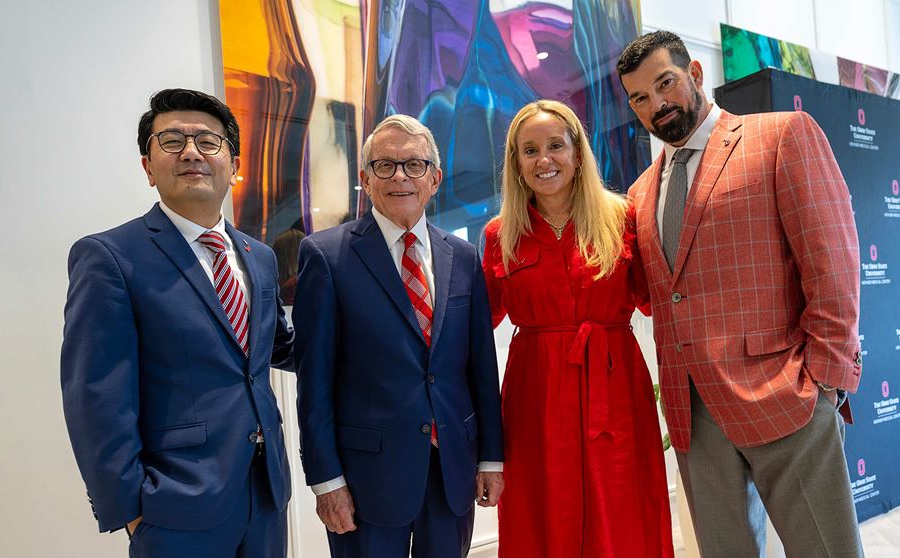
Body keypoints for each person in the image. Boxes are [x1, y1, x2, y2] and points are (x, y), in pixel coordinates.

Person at [617, 30, 864, 557]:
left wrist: (826, 377)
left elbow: (832, 263)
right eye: (640, 97)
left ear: (696, 75)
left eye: (665, 84)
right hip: (693, 416)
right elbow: (659, 294)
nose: (656, 104)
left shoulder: (782, 136)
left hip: (788, 395)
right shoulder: (640, 193)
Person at [60, 88, 296, 557]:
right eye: (171, 141)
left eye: (208, 141)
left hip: (265, 493)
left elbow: (279, 348)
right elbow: (96, 397)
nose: (191, 151)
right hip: (174, 508)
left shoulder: (261, 257)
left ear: (234, 164)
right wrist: (130, 510)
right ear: (148, 167)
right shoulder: (110, 257)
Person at [293, 114, 504, 558]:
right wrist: (326, 481)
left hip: (451, 471)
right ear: (366, 179)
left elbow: (481, 369)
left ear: (435, 178)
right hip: (367, 478)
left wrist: (490, 458)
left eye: (414, 165)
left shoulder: (463, 257)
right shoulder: (326, 256)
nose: (400, 177)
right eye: (384, 166)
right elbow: (315, 384)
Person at [481, 100, 674, 557]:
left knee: (622, 505)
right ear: (516, 163)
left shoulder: (623, 218)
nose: (543, 160)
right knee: (540, 508)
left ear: (577, 151)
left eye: (555, 146)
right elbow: (476, 324)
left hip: (616, 389)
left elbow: (659, 301)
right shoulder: (499, 234)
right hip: (537, 396)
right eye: (529, 150)